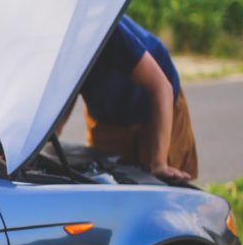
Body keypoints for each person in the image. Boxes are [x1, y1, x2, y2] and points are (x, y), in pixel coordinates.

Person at [62, 15, 198, 182]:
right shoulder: (54, 45)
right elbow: (62, 99)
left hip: (157, 106)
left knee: (162, 183)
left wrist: (159, 163)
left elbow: (162, 89)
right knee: (106, 182)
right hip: (107, 115)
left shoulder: (106, 30)